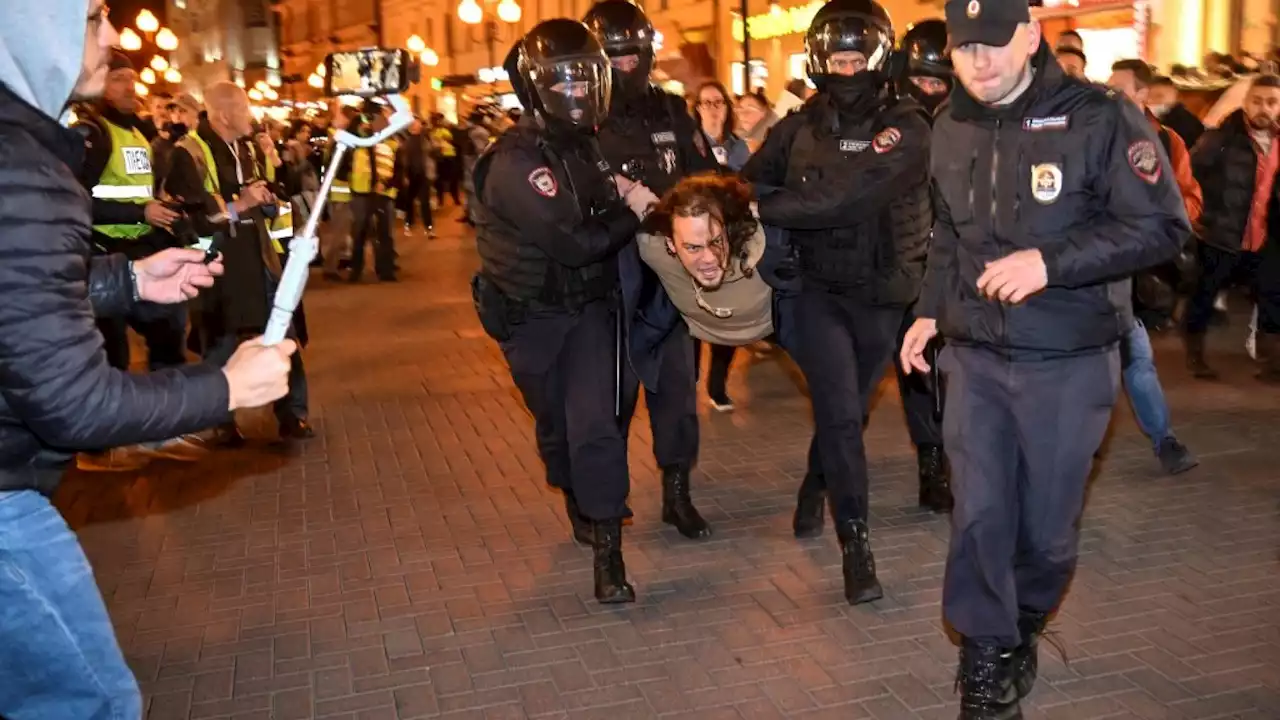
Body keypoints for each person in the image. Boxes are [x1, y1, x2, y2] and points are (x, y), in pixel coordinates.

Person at [0, 3, 297, 717]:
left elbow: (15, 287)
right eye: (91, 15)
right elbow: (74, 401)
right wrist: (223, 388)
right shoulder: (19, 165)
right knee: (91, 702)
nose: (113, 37)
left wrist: (126, 279)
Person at [900, 1, 1188, 715]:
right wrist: (930, 309)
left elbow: (1161, 226)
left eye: (995, 44)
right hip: (974, 357)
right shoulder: (949, 125)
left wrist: (1051, 263)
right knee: (979, 514)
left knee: (1048, 530)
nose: (980, 61)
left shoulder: (1099, 117)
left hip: (1068, 357)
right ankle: (986, 657)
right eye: (965, 48)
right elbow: (947, 234)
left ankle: (1025, 620)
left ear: (1030, 37)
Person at [741, 0, 933, 605]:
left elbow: (848, 198)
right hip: (815, 291)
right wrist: (747, 200)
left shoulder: (908, 124)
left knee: (847, 408)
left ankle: (812, 485)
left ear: (876, 57)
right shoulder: (800, 123)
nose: (846, 69)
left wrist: (769, 205)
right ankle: (856, 543)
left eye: (857, 57)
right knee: (843, 414)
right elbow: (749, 176)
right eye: (837, 58)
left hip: (880, 295)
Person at [470, 22, 653, 604]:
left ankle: (608, 550)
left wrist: (622, 195)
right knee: (556, 430)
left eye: (585, 78)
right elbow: (573, 242)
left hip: (590, 312)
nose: (577, 91)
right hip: (533, 321)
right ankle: (574, 492)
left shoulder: (585, 147)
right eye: (563, 81)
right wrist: (634, 211)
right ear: (535, 87)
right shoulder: (515, 162)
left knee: (597, 425)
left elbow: (597, 211)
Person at [584, 0, 722, 542]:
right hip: (609, 272)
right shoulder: (580, 119)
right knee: (609, 396)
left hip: (669, 270)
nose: (623, 65)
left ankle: (677, 493)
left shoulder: (669, 111)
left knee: (676, 392)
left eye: (631, 54)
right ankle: (602, 505)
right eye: (611, 56)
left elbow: (700, 173)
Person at [164, 81, 314, 445]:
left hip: (260, 254)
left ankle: (293, 414)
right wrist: (239, 204)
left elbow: (276, 190)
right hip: (219, 261)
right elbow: (189, 214)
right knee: (220, 340)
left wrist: (272, 183)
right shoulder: (189, 152)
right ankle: (221, 419)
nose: (252, 116)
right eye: (245, 109)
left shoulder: (249, 147)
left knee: (282, 330)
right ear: (226, 114)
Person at [1107, 58, 1200, 474]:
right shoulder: (1087, 132)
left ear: (1143, 94)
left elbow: (1188, 203)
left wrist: (1153, 230)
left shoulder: (1167, 141)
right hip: (1089, 270)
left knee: (1137, 360)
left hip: (1133, 273)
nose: (1108, 93)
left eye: (1119, 87)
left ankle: (1165, 441)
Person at [889, 17, 954, 511]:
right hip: (902, 266)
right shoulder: (888, 123)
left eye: (939, 83)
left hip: (956, 265)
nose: (929, 91)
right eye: (921, 82)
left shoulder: (968, 124)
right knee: (917, 371)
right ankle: (931, 464)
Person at [1185, 74, 1280, 382]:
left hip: (1265, 237)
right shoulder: (1222, 138)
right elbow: (1189, 176)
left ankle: (1270, 361)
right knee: (1205, 293)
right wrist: (1198, 218)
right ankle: (1194, 354)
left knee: (1271, 297)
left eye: (1271, 102)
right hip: (1222, 234)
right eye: (1256, 101)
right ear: (1246, 102)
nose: (1263, 108)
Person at [691, 79, 750, 411]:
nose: (713, 109)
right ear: (696, 108)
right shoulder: (690, 145)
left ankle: (717, 383)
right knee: (691, 308)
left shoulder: (738, 147)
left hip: (727, 236)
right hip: (694, 236)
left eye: (719, 103)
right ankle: (689, 380)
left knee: (725, 309)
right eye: (706, 103)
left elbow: (743, 185)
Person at [349, 103, 400, 283]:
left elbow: (398, 167)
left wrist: (385, 184)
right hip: (361, 192)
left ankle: (385, 269)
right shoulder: (357, 140)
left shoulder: (390, 141)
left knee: (383, 233)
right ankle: (356, 270)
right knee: (360, 233)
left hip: (382, 193)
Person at [1149, 74, 1205, 149]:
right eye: (1148, 96)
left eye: (1159, 96)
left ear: (1174, 96)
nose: (1150, 101)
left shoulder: (1185, 123)